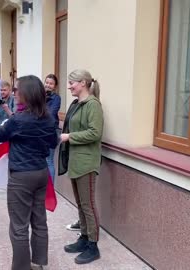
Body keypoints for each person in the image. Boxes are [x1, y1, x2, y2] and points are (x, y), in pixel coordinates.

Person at [0, 75, 58, 270]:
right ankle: (37, 263)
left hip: (21, 176)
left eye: (16, 90)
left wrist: (10, 119)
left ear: (26, 94)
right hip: (40, 172)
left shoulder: (18, 120)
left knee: (19, 226)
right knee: (39, 221)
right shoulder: (47, 118)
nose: (14, 92)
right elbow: (53, 143)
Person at [58, 69, 104, 264]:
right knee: (80, 203)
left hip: (86, 162)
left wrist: (70, 137)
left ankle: (93, 246)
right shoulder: (77, 104)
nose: (69, 87)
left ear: (83, 83)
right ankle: (84, 238)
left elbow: (95, 133)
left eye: (72, 83)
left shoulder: (93, 105)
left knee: (88, 205)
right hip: (76, 160)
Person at [44, 74, 61, 183]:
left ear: (55, 86)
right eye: (47, 82)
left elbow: (51, 113)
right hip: (39, 131)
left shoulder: (56, 98)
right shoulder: (40, 96)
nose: (48, 85)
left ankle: (50, 189)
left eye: (51, 84)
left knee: (49, 160)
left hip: (50, 131)